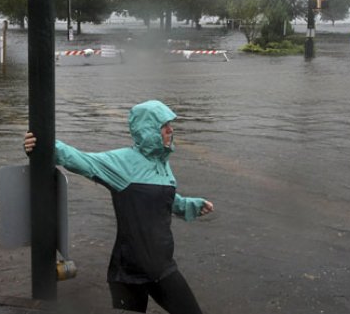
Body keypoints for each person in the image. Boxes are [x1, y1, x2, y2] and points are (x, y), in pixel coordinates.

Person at [24, 100, 213, 314]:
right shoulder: (123, 163)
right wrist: (41, 145)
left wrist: (189, 205)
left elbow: (162, 200)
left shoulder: (163, 164)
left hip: (163, 267)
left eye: (170, 124)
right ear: (148, 130)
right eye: (164, 125)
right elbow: (81, 160)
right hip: (128, 273)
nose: (171, 129)